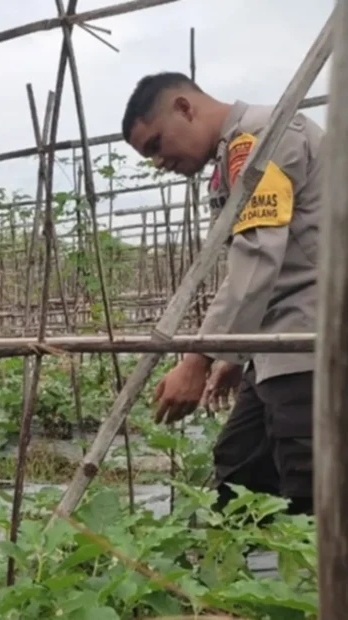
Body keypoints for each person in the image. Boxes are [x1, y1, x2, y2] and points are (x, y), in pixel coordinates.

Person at [121, 72, 322, 516]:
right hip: (275, 343)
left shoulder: (262, 139)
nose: (158, 162)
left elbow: (258, 256)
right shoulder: (232, 155)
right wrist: (235, 355)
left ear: (184, 108)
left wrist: (200, 357)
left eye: (156, 144)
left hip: (310, 342)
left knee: (311, 490)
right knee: (239, 469)